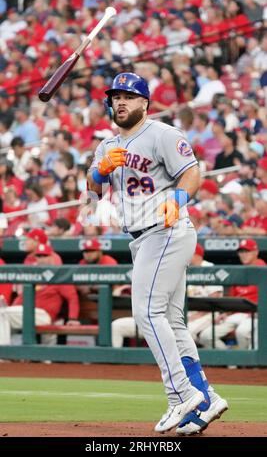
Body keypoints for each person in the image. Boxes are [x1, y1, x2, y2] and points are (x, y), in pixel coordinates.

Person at [87, 72, 228, 435]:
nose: (121, 102)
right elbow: (92, 187)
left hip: (165, 228)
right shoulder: (107, 146)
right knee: (172, 321)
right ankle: (205, 396)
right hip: (142, 237)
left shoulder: (162, 134)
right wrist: (101, 172)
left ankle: (180, 394)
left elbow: (191, 174)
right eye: (116, 96)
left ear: (144, 103)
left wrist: (178, 200)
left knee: (145, 312)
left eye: (130, 97)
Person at [0, 243, 79, 345]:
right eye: (39, 256)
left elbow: (72, 297)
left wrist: (73, 318)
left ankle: (3, 354)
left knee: (2, 314)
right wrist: (12, 307)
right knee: (3, 315)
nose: (42, 259)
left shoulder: (59, 275)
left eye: (45, 256)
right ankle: (10, 354)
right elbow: (21, 298)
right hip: (27, 313)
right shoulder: (34, 275)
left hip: (44, 314)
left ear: (52, 257)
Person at [199, 238, 265, 350]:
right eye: (241, 252)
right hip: (236, 314)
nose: (243, 255)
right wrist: (226, 313)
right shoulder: (238, 271)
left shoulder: (263, 269)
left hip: (255, 314)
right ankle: (232, 363)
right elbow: (232, 298)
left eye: (247, 251)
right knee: (206, 336)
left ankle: (246, 363)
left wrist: (262, 311)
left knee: (242, 332)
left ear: (256, 252)